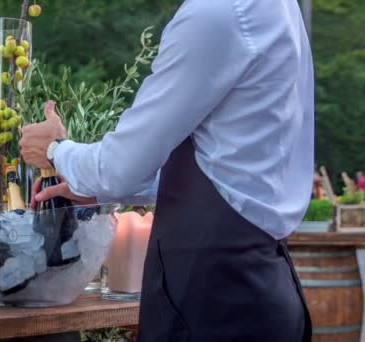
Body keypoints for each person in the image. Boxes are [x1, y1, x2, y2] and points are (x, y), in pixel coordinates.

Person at [19, 0, 313, 341]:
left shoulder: (215, 13)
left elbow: (120, 168)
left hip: (213, 302)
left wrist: (55, 150)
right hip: (261, 290)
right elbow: (229, 167)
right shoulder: (277, 7)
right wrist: (95, 187)